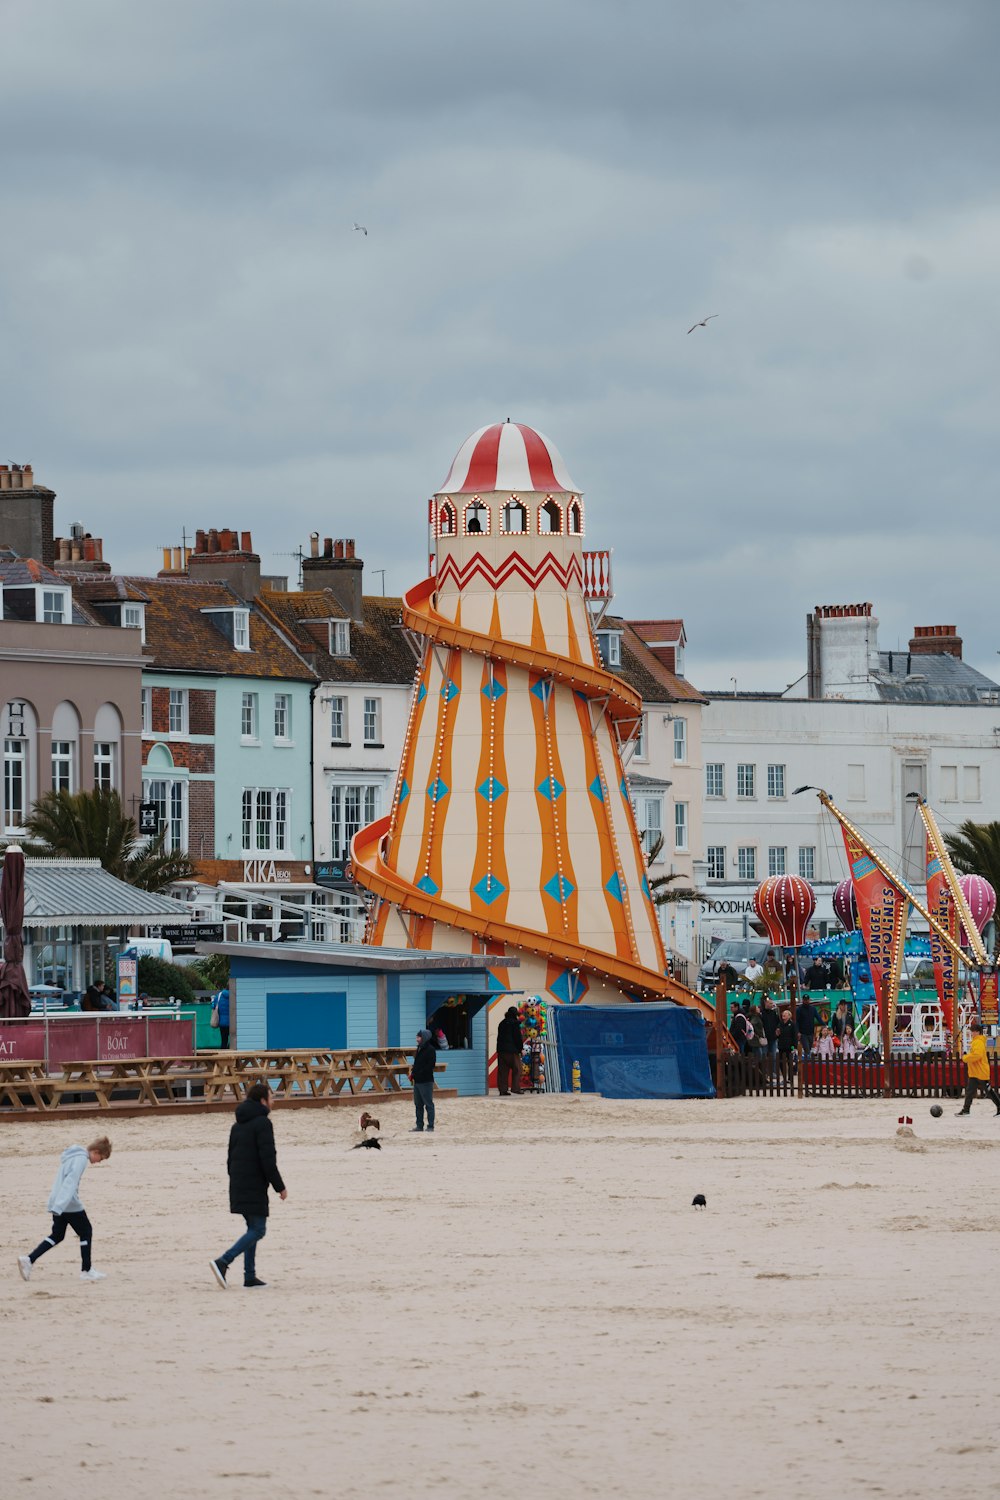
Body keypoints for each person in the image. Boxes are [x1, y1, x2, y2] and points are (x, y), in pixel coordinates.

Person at [210, 1082, 286, 1289]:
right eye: (271, 1097)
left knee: (252, 1228)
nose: (273, 1101)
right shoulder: (263, 1123)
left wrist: (236, 1180)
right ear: (263, 1101)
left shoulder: (237, 1125)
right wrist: (280, 1187)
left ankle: (250, 1276)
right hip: (253, 1184)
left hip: (239, 1183)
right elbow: (268, 1159)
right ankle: (223, 1261)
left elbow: (230, 1158)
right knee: (258, 1230)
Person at [18, 1136, 112, 1283]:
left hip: (58, 1200)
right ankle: (86, 1270)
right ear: (95, 1151)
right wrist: (60, 1205)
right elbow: (70, 1182)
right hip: (67, 1202)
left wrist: (57, 1205)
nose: (99, 1162)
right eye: (101, 1158)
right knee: (86, 1231)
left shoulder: (73, 1155)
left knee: (57, 1235)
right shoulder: (81, 1159)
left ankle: (29, 1260)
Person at [955, 1022, 1000, 1118]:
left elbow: (977, 1055)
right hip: (975, 1072)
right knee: (969, 1092)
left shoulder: (978, 1042)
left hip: (980, 1072)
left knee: (989, 1092)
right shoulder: (976, 1041)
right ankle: (966, 1110)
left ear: (977, 1032)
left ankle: (999, 1108)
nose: (971, 1033)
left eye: (973, 1031)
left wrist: (965, 1058)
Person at [410, 1028, 438, 1132]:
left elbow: (430, 1065)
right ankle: (419, 1125)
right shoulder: (419, 1049)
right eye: (417, 1037)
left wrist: (419, 1073)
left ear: (424, 1038)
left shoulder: (430, 1049)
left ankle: (430, 1126)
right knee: (418, 1105)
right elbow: (417, 1064)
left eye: (419, 1037)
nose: (417, 1039)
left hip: (426, 1081)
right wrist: (413, 1073)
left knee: (428, 1104)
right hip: (417, 1081)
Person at [496, 1006, 524, 1096]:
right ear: (515, 1015)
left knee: (503, 1071)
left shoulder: (502, 1023)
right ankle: (515, 1088)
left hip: (501, 1050)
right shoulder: (515, 1024)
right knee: (518, 1069)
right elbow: (517, 1038)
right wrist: (520, 1049)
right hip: (512, 1051)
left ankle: (503, 1090)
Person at [760, 995, 780, 1071]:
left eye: (772, 1003)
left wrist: (777, 1029)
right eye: (770, 1003)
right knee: (764, 1055)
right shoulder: (761, 1013)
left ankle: (773, 1071)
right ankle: (765, 1071)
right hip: (765, 1037)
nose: (772, 1005)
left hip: (773, 1037)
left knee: (774, 1056)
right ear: (765, 1003)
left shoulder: (774, 1013)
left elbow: (778, 1022)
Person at [776, 1008, 797, 1083]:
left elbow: (794, 1036)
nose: (783, 1015)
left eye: (785, 1013)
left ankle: (790, 1078)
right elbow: (777, 1035)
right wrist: (777, 1034)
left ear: (789, 1016)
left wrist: (794, 1047)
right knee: (781, 1062)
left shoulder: (792, 1024)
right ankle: (784, 1077)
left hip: (789, 1046)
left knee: (790, 1062)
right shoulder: (780, 1024)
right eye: (783, 1013)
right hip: (781, 1045)